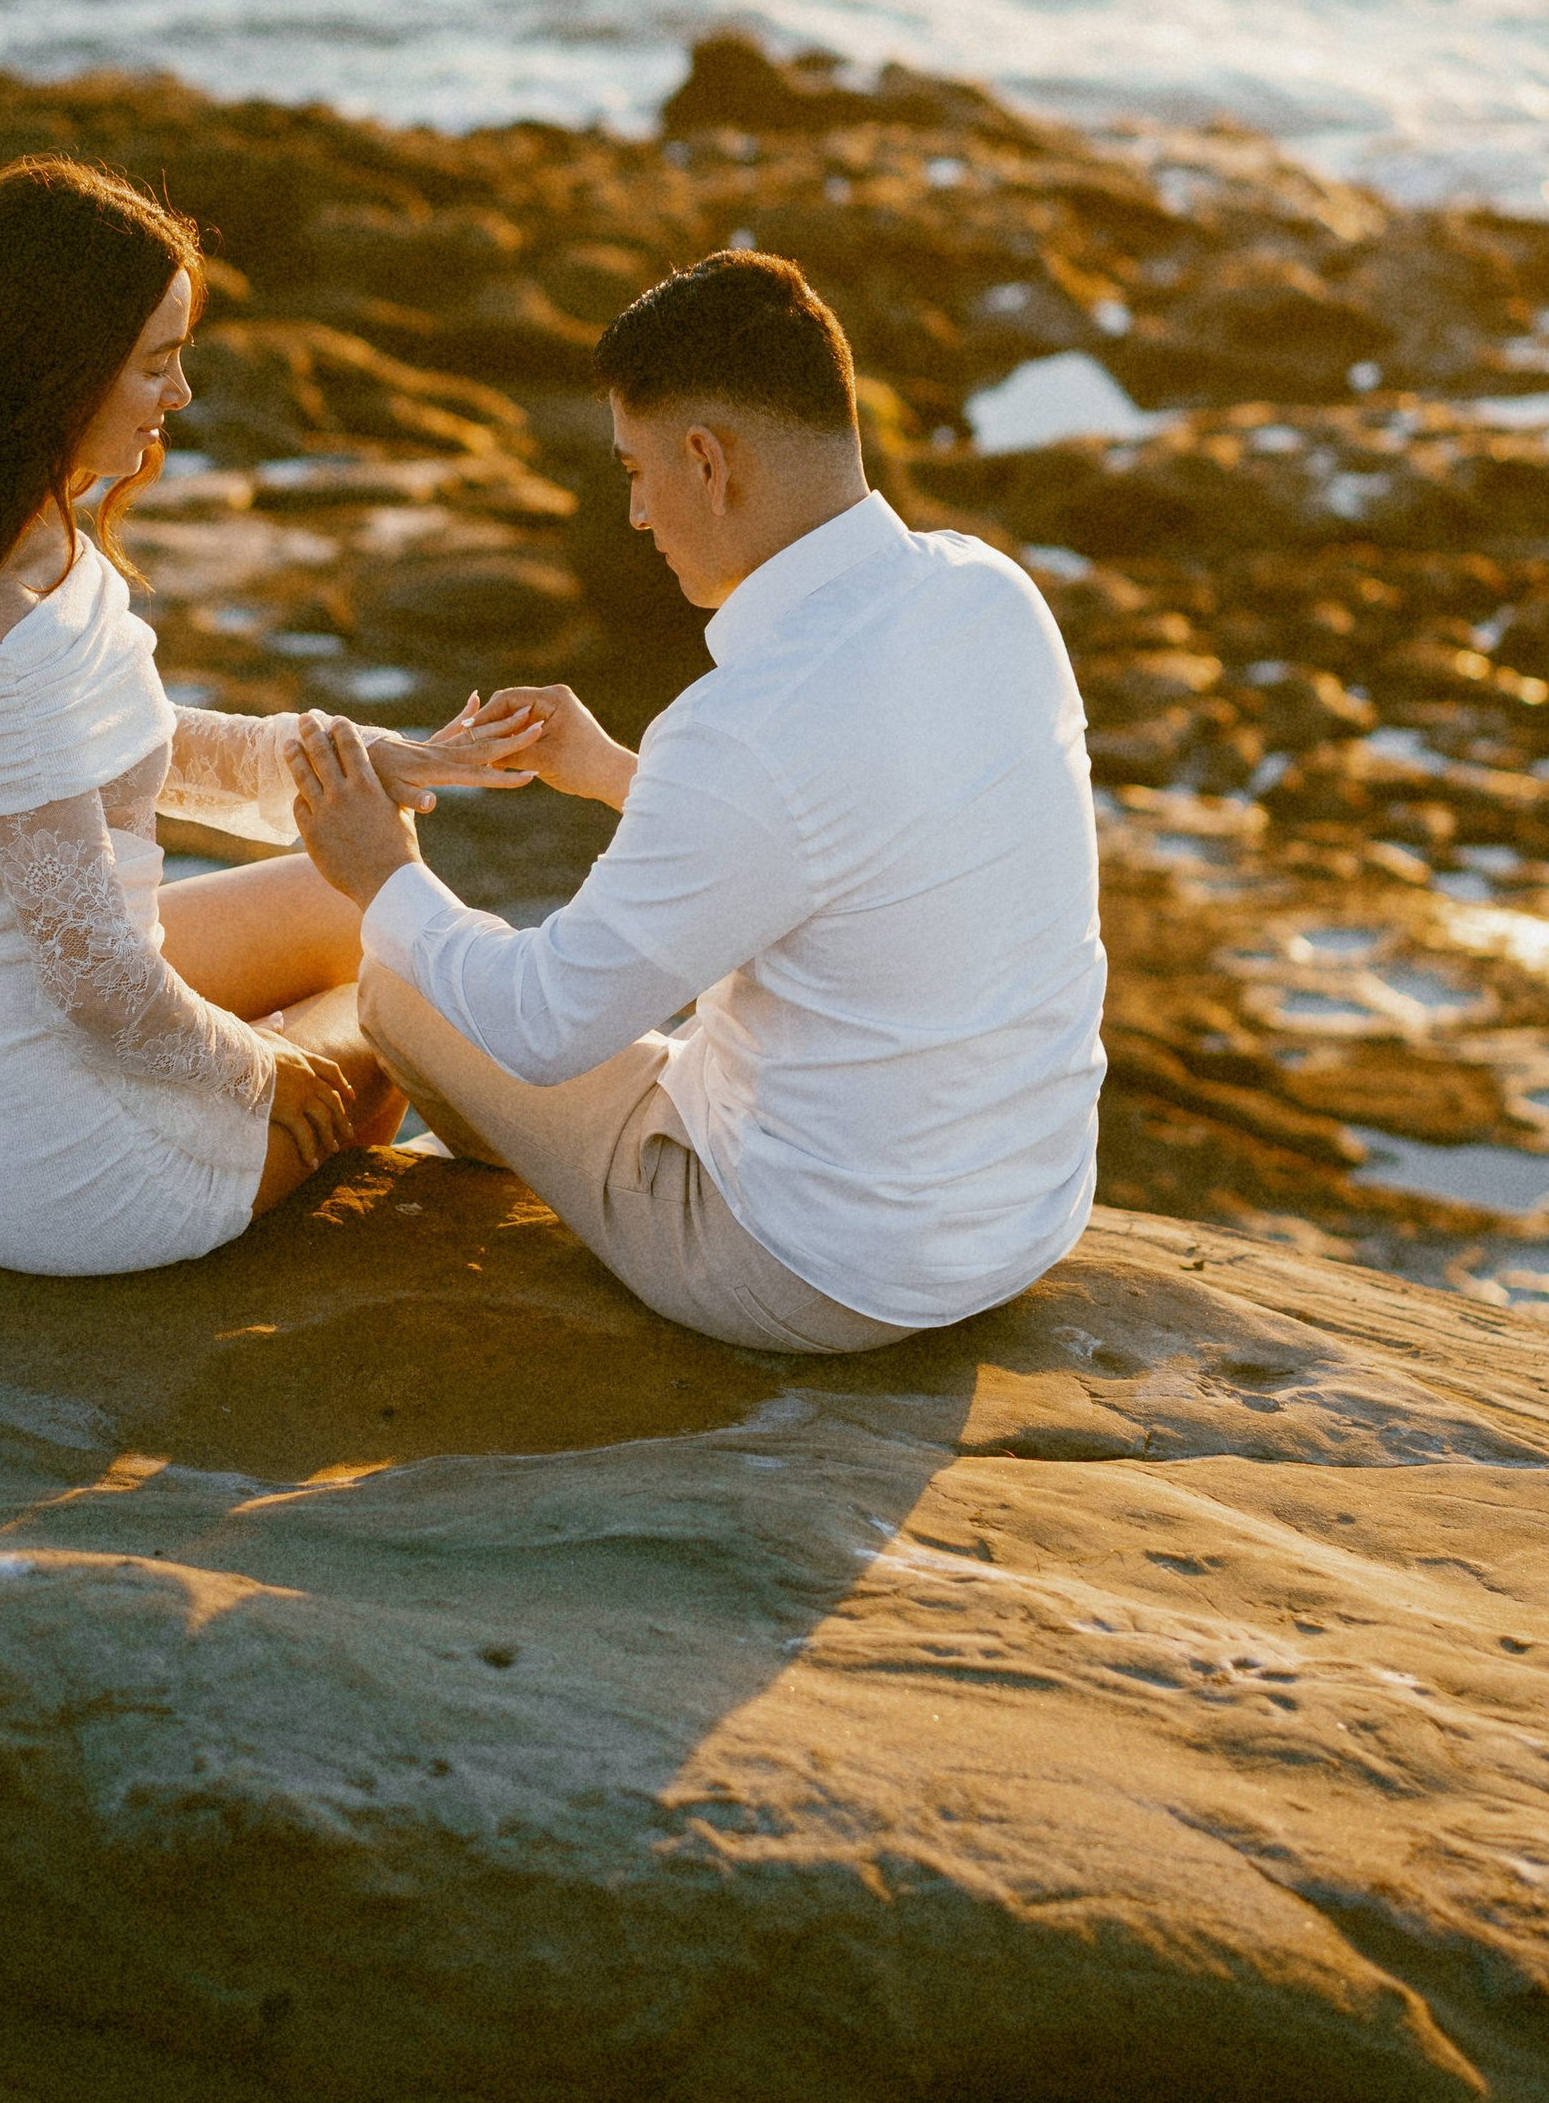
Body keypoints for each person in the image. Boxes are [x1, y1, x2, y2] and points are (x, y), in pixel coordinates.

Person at [290, 248, 1106, 1354]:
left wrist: (381, 867)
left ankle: (553, 1164)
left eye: (635, 470)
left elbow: (543, 1025)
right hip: (1021, 1217)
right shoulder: (990, 591)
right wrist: (618, 773)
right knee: (648, 1004)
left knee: (399, 981)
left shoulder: (742, 728)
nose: (632, 512)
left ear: (707, 460)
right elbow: (860, 838)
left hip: (813, 1272)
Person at [0, 156, 536, 1277]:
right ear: (55, 375)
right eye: (155, 365)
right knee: (409, 990)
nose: (179, 396)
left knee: (370, 889)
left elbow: (137, 741)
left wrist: (369, 757)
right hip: (48, 1158)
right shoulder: (1, 634)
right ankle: (557, 1186)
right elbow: (103, 991)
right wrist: (265, 1068)